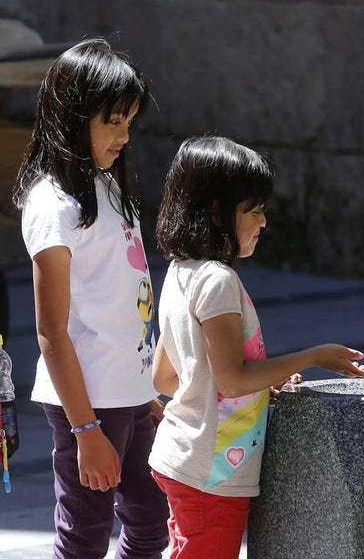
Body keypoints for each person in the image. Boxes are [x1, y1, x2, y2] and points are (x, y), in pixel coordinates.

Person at [148, 136, 364, 558]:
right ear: (217, 213)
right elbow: (231, 380)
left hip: (182, 458)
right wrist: (314, 356)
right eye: (253, 211)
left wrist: (259, 387)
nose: (264, 222)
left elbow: (166, 376)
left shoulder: (180, 272)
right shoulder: (218, 281)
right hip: (212, 473)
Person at [13, 38, 169, 558]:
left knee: (151, 525)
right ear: (73, 117)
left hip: (128, 396)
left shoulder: (107, 185)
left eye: (130, 122)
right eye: (113, 121)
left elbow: (121, 299)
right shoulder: (51, 204)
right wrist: (86, 429)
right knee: (83, 538)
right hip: (88, 404)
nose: (124, 135)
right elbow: (50, 332)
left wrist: (143, 389)